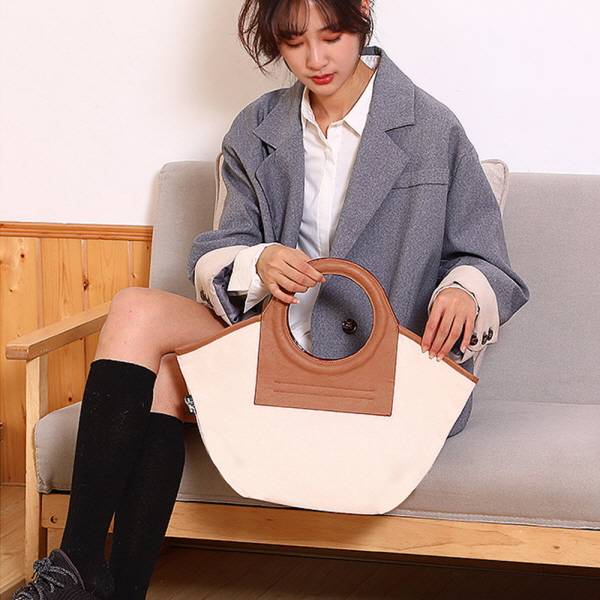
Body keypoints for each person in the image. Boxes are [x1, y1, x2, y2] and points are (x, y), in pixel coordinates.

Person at [14, 1, 528, 599]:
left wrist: (464, 289)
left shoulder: (433, 129)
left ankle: (93, 579)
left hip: (371, 370)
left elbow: (489, 261)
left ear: (363, 10)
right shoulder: (258, 128)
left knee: (165, 377)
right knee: (135, 309)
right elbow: (219, 250)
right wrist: (256, 262)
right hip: (270, 352)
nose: (315, 59)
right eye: (293, 42)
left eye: (331, 36)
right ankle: (80, 566)